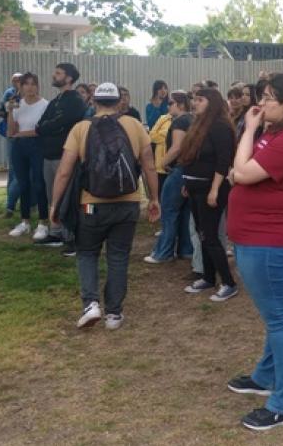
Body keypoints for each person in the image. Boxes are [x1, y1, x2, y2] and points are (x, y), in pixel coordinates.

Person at [225, 73, 283, 431]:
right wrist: (244, 160)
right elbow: (239, 171)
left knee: (280, 319)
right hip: (255, 236)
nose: (259, 104)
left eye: (267, 98)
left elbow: (243, 173)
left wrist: (248, 131)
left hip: (268, 240)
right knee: (274, 314)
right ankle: (266, 376)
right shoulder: (277, 134)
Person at [48, 82, 161, 330]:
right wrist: (154, 198)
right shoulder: (134, 126)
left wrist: (55, 205)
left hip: (91, 206)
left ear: (93, 101)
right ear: (120, 102)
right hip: (128, 205)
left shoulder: (81, 128)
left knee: (87, 253)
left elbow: (64, 173)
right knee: (118, 257)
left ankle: (91, 305)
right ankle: (114, 314)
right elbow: (149, 165)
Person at [178, 88, 239, 302]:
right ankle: (208, 277)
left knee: (211, 236)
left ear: (212, 102)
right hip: (194, 187)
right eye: (195, 99)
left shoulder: (220, 126)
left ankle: (229, 282)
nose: (195, 103)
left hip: (211, 190)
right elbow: (192, 157)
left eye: (200, 100)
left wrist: (214, 189)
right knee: (201, 233)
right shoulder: (199, 125)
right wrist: (187, 182)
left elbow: (223, 161)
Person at [34, 62, 87, 253]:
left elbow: (62, 122)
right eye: (55, 72)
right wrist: (45, 127)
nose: (54, 75)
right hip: (48, 156)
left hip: (65, 156)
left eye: (58, 73)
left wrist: (46, 127)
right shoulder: (56, 100)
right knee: (52, 195)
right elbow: (40, 124)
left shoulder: (75, 100)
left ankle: (71, 237)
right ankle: (56, 232)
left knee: (67, 198)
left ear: (69, 78)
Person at [145, 91, 195, 264]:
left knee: (169, 211)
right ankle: (186, 249)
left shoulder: (180, 121)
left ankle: (164, 252)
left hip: (178, 170)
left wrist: (163, 162)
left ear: (180, 105)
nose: (168, 106)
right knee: (184, 213)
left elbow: (176, 147)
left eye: (171, 103)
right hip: (189, 170)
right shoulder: (193, 119)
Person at [6, 72, 50, 240]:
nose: (30, 87)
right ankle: (24, 222)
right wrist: (10, 111)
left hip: (37, 146)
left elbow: (43, 130)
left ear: (37, 86)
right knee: (23, 183)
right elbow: (11, 132)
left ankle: (43, 223)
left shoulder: (45, 105)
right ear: (21, 87)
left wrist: (22, 134)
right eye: (26, 84)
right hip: (19, 147)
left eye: (33, 84)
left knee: (39, 183)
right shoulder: (18, 104)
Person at [0, 72, 23, 219]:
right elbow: (2, 110)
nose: (16, 82)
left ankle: (28, 205)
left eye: (19, 80)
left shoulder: (28, 94)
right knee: (14, 170)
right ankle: (10, 206)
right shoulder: (10, 93)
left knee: (26, 174)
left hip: (26, 135)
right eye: (14, 80)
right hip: (12, 134)